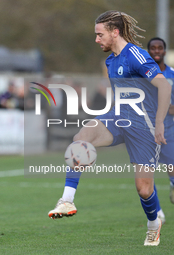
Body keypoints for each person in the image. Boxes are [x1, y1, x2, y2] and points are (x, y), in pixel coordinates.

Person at [48, 11, 173, 246]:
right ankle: (67, 199)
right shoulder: (111, 60)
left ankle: (153, 223)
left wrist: (158, 124)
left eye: (100, 35)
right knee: (81, 136)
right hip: (118, 117)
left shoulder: (136, 55)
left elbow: (164, 87)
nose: (97, 40)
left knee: (144, 189)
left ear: (115, 32)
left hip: (144, 127)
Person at [147, 37, 174, 205]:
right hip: (146, 128)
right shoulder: (143, 74)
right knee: (147, 170)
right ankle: (156, 211)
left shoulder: (172, 74)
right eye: (153, 48)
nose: (156, 51)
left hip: (169, 127)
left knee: (171, 165)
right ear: (148, 52)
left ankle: (172, 184)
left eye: (160, 48)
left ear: (164, 51)